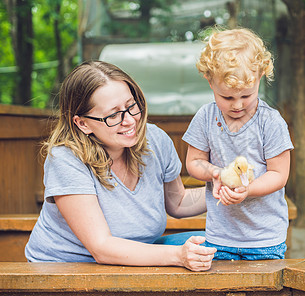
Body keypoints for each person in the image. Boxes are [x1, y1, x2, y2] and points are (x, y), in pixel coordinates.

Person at [25, 61, 216, 271]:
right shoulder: (65, 159)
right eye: (113, 115)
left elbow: (178, 202)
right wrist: (178, 255)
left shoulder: (156, 140)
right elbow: (102, 247)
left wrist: (220, 189)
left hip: (136, 254)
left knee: (224, 244)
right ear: (82, 124)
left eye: (131, 106)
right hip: (67, 268)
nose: (130, 121)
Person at [182, 28, 294, 260]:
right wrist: (214, 172)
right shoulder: (206, 117)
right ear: (210, 81)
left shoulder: (270, 121)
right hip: (220, 235)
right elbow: (194, 161)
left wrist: (248, 190)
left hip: (265, 238)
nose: (237, 105)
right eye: (228, 97)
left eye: (246, 96)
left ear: (260, 77)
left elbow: (279, 174)